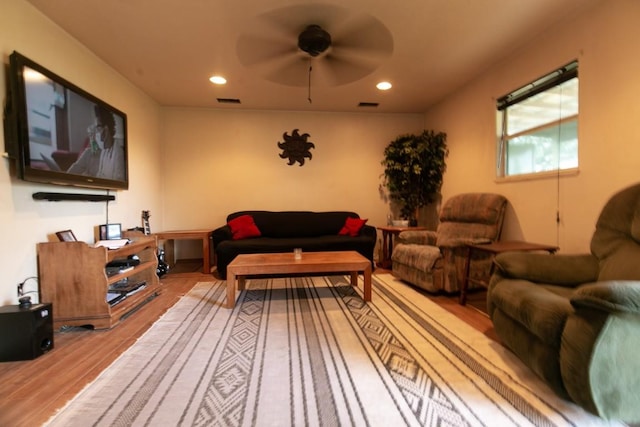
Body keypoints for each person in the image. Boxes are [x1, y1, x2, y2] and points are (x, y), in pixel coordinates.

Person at [67, 104, 125, 180]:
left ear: (106, 129)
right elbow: (99, 175)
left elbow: (118, 182)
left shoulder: (118, 154)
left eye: (98, 127)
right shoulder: (104, 150)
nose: (95, 133)